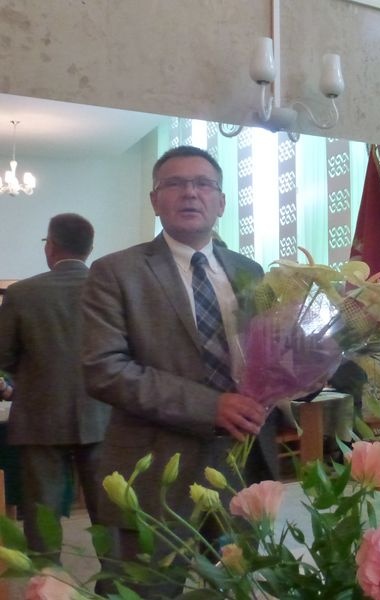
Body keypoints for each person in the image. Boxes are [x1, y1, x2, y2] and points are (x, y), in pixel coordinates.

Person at [82, 146, 278, 593]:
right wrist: (210, 406)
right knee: (144, 590)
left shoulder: (250, 271)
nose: (190, 192)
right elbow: (104, 369)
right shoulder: (115, 272)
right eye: (174, 184)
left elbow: (267, 356)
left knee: (237, 588)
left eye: (203, 184)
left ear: (221, 202)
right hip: (154, 469)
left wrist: (304, 372)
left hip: (240, 465)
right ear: (155, 200)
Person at [0, 213, 109, 552]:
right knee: (108, 509)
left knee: (42, 511)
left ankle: (47, 576)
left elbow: (2, 355)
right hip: (102, 415)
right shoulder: (109, 289)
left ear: (50, 246)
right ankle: (116, 576)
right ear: (89, 249)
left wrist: (21, 377)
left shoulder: (22, 293)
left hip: (39, 416)